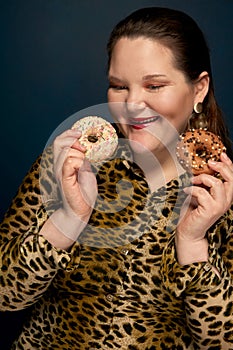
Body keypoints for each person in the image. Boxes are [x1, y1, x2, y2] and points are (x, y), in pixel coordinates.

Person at [1, 6, 233, 350]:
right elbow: (5, 297)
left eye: (154, 85)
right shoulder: (68, 164)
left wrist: (193, 244)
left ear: (198, 89)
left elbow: (222, 343)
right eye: (118, 86)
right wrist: (69, 218)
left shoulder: (222, 193)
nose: (132, 104)